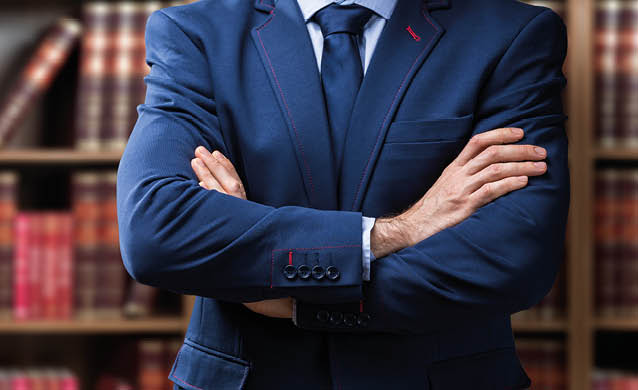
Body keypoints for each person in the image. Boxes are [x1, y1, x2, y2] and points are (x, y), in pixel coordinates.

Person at [115, 0, 569, 388]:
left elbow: (513, 256)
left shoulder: (511, 35)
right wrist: (399, 230)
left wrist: (290, 298)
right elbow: (155, 231)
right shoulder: (195, 34)